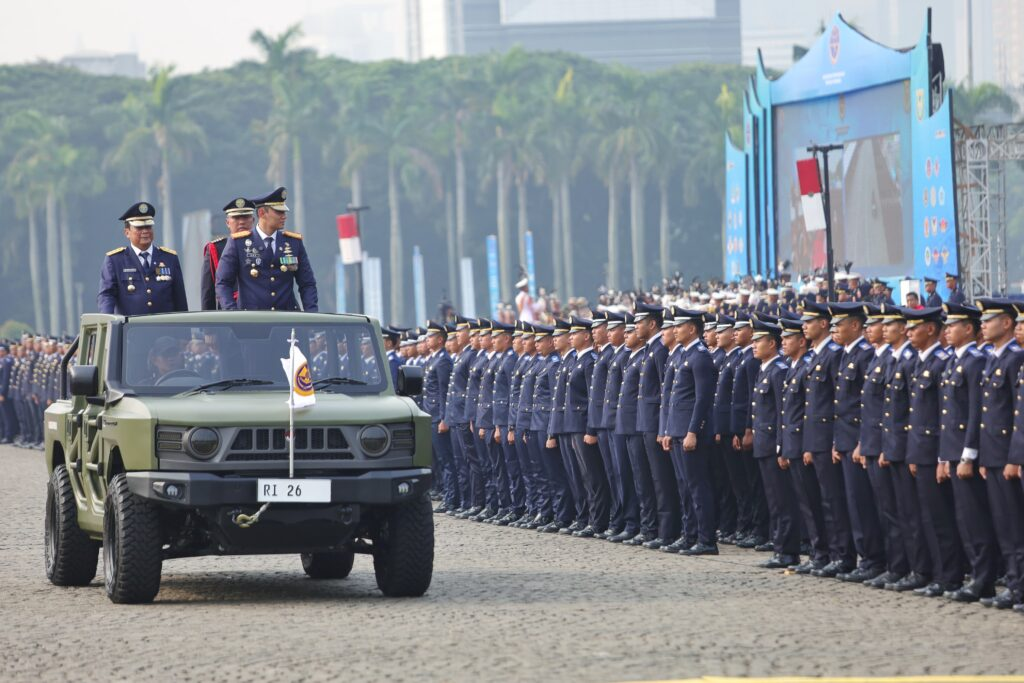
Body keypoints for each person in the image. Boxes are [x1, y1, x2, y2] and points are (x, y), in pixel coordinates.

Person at [214, 187, 318, 311]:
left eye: (284, 212)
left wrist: (311, 315)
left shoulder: (293, 242)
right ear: (262, 213)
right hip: (251, 319)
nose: (284, 216)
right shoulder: (238, 243)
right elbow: (223, 283)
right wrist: (233, 314)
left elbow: (307, 284)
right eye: (279, 212)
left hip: (287, 319)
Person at [98, 202, 188, 315]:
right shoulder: (115, 260)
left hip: (164, 326)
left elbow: (180, 299)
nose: (145, 231)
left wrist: (183, 325)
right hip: (131, 326)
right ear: (127, 232)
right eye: (139, 227)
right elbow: (106, 296)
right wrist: (107, 321)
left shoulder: (169, 258)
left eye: (148, 226)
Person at [201, 197, 255, 310]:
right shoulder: (215, 248)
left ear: (253, 220)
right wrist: (208, 320)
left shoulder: (263, 244)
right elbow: (208, 293)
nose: (241, 222)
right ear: (227, 222)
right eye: (236, 218)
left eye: (245, 217)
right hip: (229, 312)